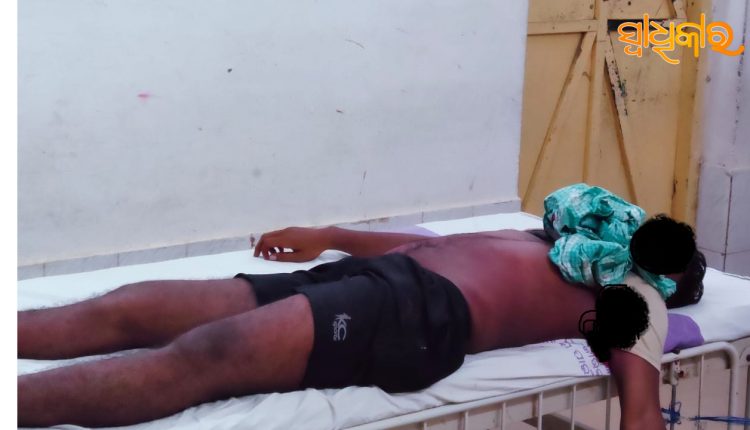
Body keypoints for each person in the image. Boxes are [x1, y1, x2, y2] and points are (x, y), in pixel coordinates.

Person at [18, 223, 706, 429]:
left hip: (420, 315)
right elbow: (433, 242)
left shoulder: (638, 300)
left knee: (211, 353)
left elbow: (641, 414)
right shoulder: (563, 243)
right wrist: (330, 236)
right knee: (131, 306)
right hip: (376, 277)